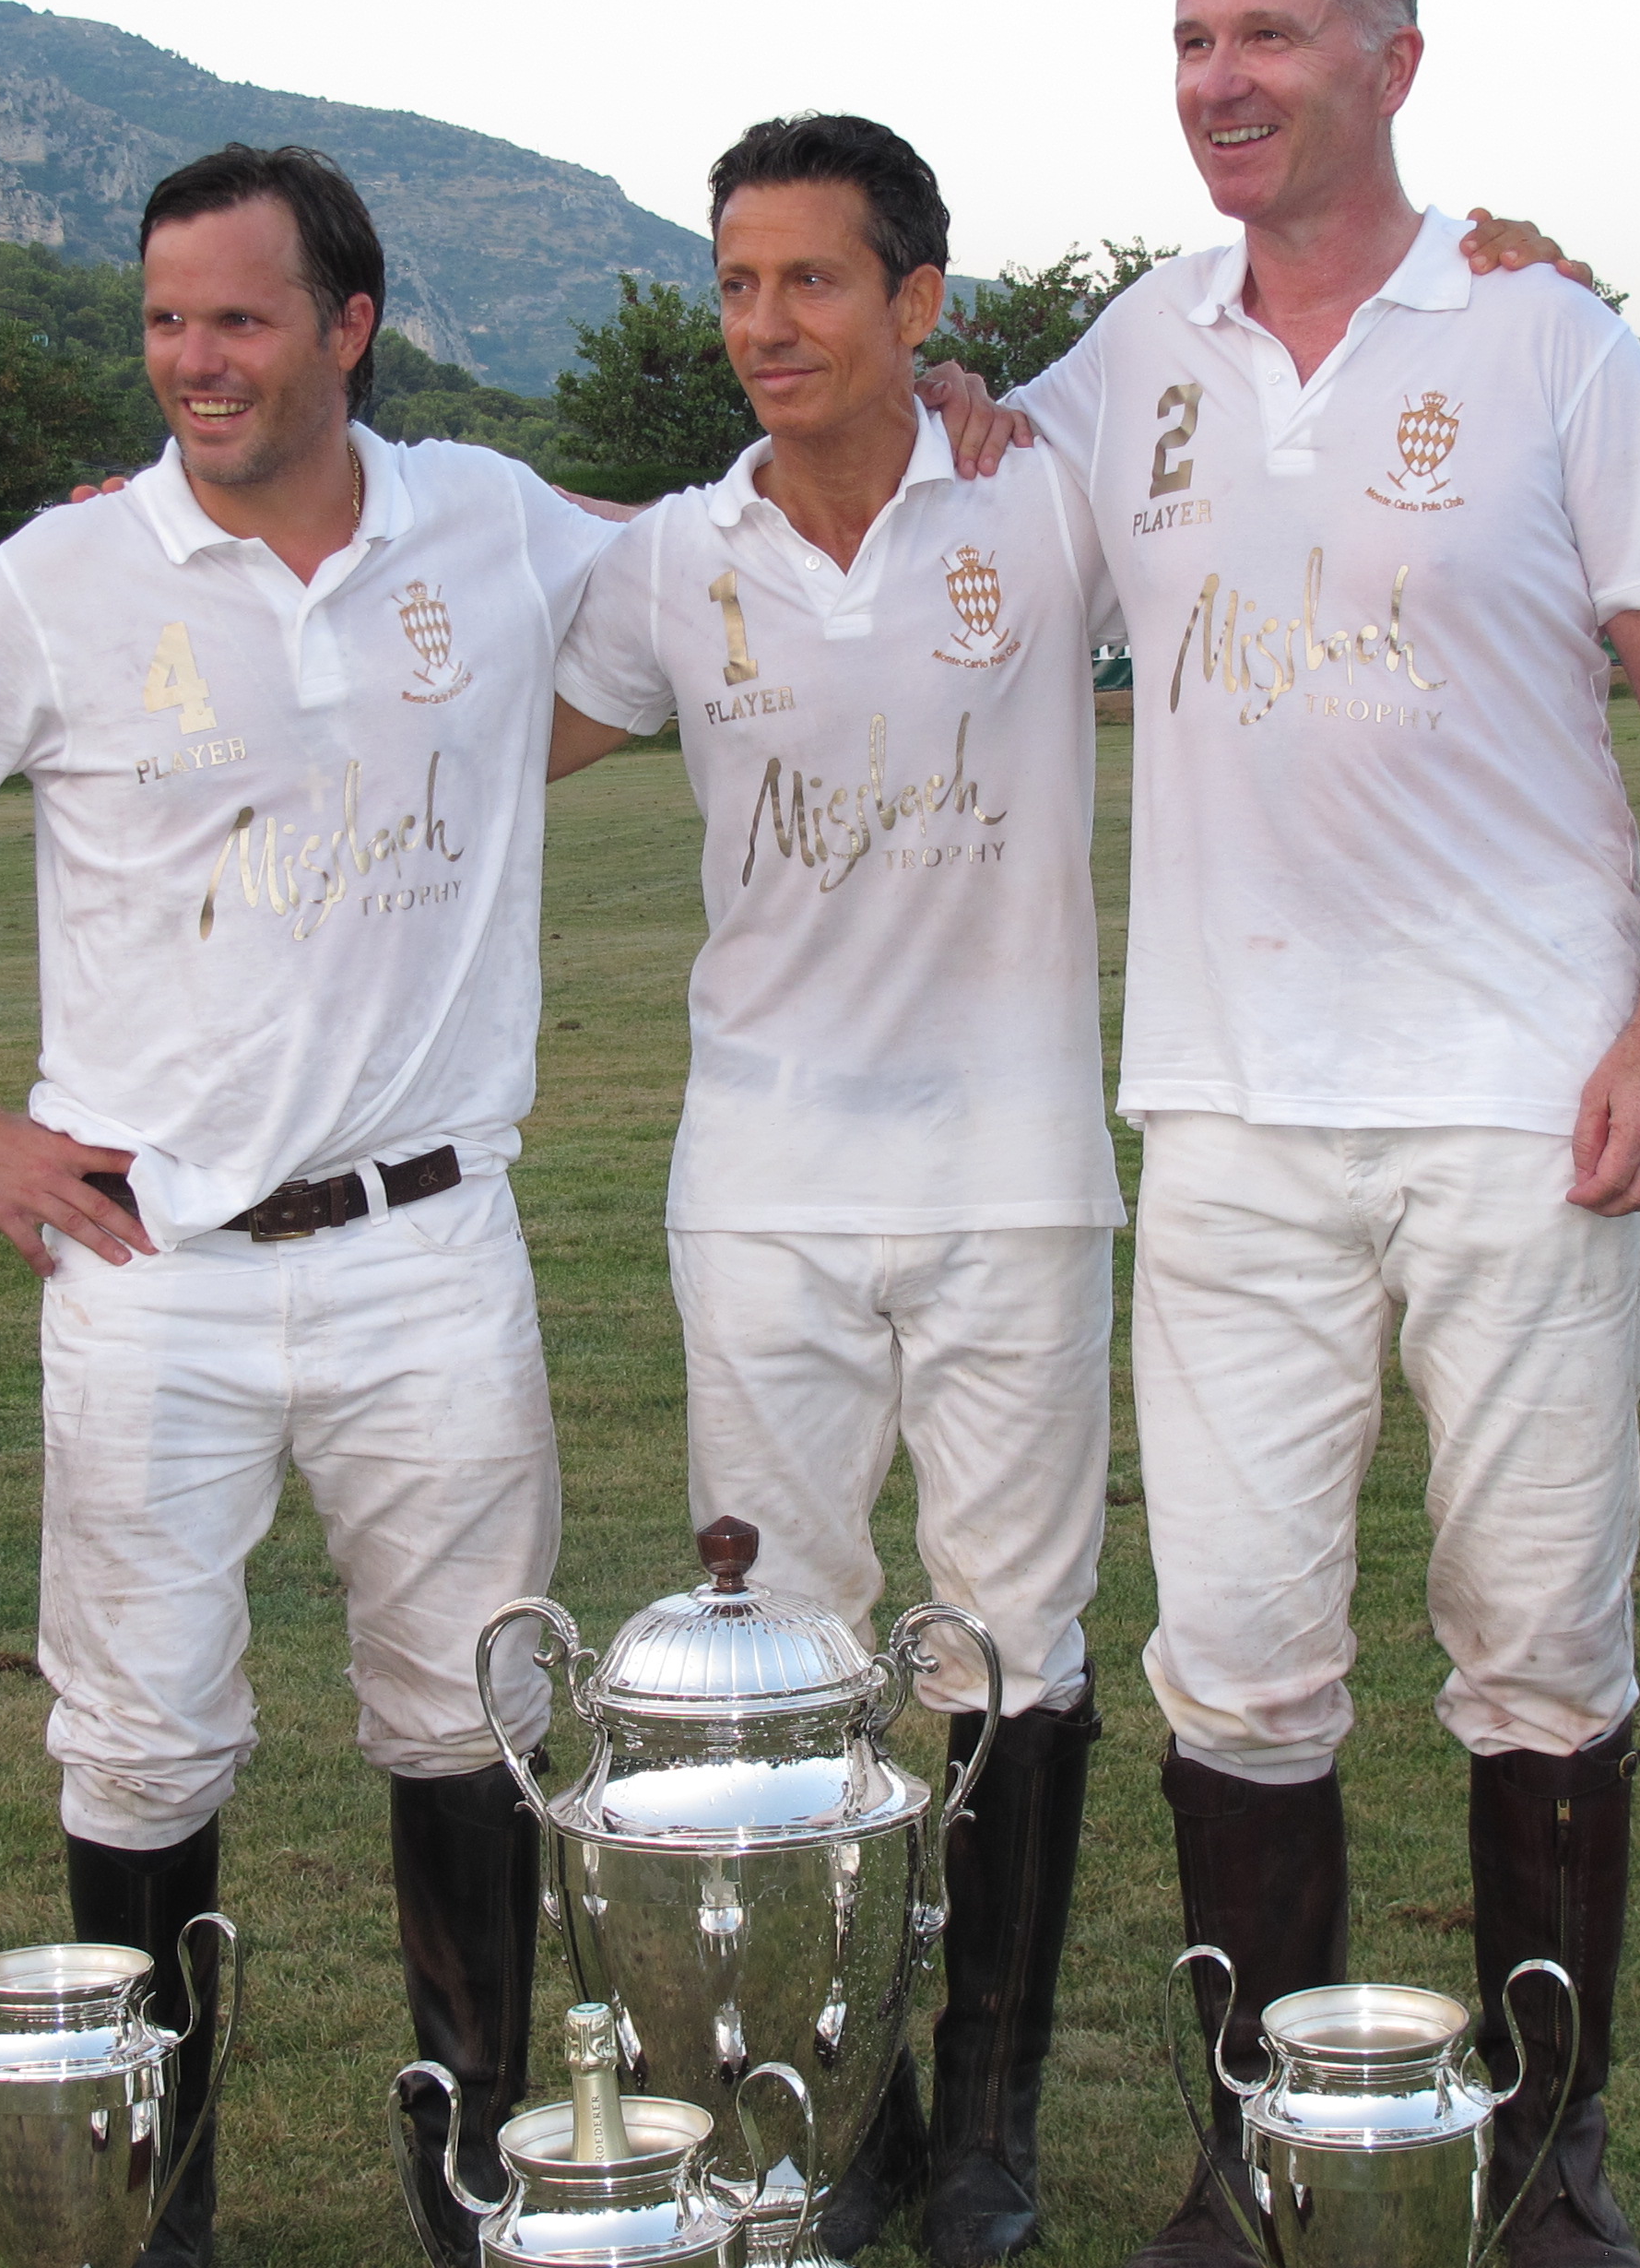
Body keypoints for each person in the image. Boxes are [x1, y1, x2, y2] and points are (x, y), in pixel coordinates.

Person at [934, 0, 1640, 2268]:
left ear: (1393, 61)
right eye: (1191, 39)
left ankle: (1546, 2163)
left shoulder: (1546, 344)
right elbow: (952, 509)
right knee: (1245, 1662)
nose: (1219, 81)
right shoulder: (1139, 349)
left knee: (1537, 1642)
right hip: (1229, 1114)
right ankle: (1262, 2153)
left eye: (1269, 37)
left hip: (1533, 1102)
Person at [0, 143, 618, 2268]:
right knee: (143, 1746)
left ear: (350, 326)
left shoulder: (494, 522)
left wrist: (957, 392)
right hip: (151, 1263)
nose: (195, 362)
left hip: (433, 1247)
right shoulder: (67, 575)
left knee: (466, 1720)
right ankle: (157, 2221)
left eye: (240, 319)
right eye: (166, 319)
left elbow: (740, 551)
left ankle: (473, 2182)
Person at [546, 113, 1122, 2267]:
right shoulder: (674, 558)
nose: (763, 326)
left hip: (1013, 1176)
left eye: (808, 281)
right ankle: (817, 2101)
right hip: (762, 1185)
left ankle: (979, 2124)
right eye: (733, 284)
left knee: (1007, 1647)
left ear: (919, 304)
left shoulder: (1041, 501)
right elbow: (462, 724)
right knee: (778, 1666)